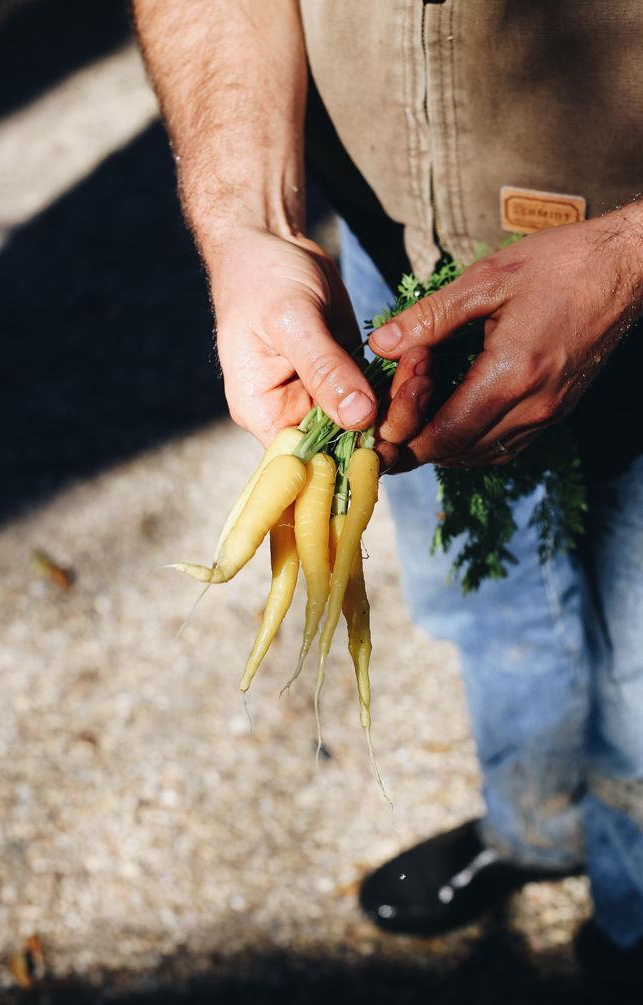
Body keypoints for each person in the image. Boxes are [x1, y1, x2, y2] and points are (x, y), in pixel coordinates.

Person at [133, 1, 643, 985]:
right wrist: (247, 220)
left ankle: (630, 917)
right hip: (389, 239)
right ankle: (535, 826)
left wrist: (628, 255)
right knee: (480, 603)